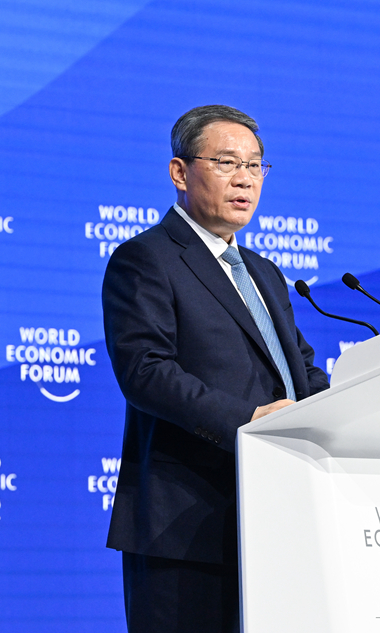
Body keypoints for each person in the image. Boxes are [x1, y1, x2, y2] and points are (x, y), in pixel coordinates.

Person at [102, 105, 330, 633]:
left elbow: (300, 371)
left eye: (255, 166)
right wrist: (250, 422)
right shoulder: (146, 259)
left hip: (280, 518)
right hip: (187, 525)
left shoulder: (265, 273)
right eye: (227, 162)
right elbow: (145, 372)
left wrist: (337, 413)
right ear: (180, 173)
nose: (245, 179)